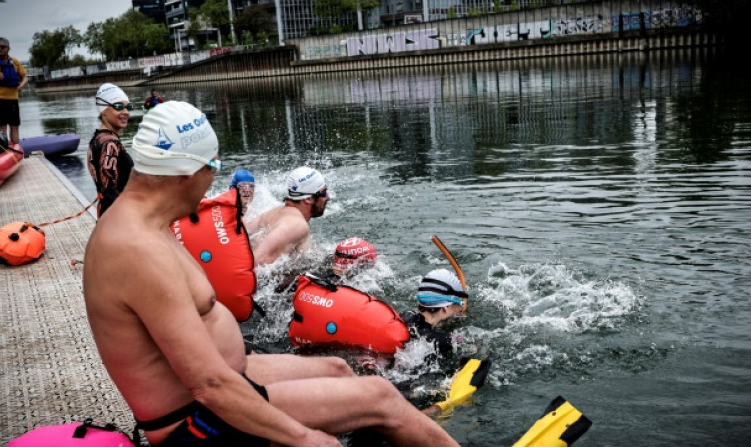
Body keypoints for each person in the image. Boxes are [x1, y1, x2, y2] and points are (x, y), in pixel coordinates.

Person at [83, 101, 459, 447]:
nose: (214, 183)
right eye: (212, 167)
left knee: (339, 369)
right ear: (184, 171)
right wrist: (304, 438)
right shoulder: (136, 250)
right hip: (198, 422)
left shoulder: (145, 224)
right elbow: (210, 385)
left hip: (229, 379)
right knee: (382, 396)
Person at [246, 166, 330, 266]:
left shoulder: (273, 213)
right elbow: (257, 259)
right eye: (323, 193)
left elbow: (240, 235)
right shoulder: (297, 224)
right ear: (308, 199)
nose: (327, 197)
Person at [86, 83, 134, 217]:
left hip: (107, 217)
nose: (125, 112)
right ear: (103, 110)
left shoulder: (97, 139)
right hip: (118, 221)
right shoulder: (109, 144)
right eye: (118, 107)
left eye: (128, 107)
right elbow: (109, 192)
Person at [400, 268, 468, 361]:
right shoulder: (443, 342)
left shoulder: (406, 315)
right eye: (459, 304)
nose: (460, 308)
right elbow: (472, 345)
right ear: (445, 308)